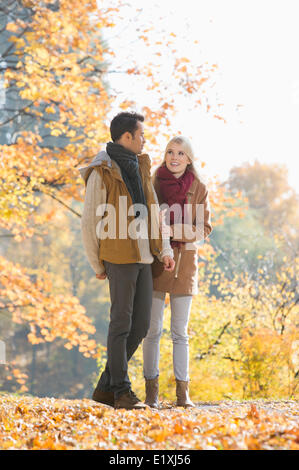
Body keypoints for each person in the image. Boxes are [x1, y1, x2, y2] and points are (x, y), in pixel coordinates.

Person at [79, 112, 175, 410]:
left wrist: (164, 249)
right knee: (120, 322)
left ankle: (106, 387)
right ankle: (121, 391)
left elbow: (154, 211)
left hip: (144, 256)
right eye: (141, 134)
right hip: (118, 256)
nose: (145, 139)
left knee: (142, 323)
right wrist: (97, 263)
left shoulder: (141, 166)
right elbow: (90, 219)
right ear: (127, 136)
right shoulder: (102, 171)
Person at [142, 136, 213, 408]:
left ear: (189, 158)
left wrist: (174, 231)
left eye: (180, 153)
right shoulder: (153, 182)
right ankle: (151, 394)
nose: (174, 157)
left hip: (185, 263)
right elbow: (145, 220)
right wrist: (162, 238)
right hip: (156, 261)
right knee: (152, 330)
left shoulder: (199, 188)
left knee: (179, 332)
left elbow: (203, 228)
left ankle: (183, 394)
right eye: (170, 152)